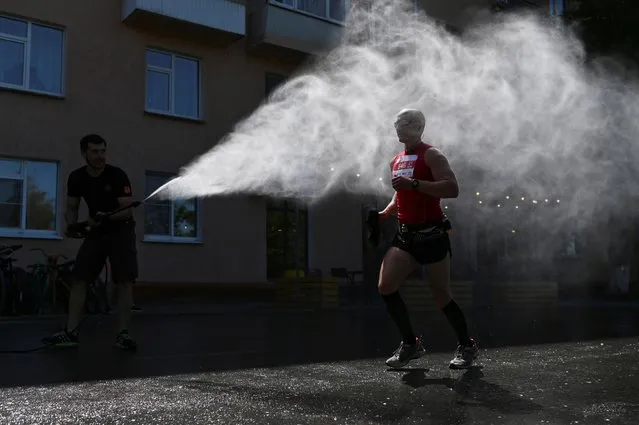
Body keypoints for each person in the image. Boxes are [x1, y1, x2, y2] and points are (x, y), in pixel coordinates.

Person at [377, 108, 478, 369]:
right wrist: (386, 212)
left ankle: (467, 346)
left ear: (419, 127)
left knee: (441, 296)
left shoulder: (432, 154)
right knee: (385, 286)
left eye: (406, 122)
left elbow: (452, 188)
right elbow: (399, 193)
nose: (400, 126)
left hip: (432, 235)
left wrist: (416, 184)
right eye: (397, 122)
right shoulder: (396, 160)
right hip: (405, 236)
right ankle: (411, 344)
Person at [42, 134, 138, 351]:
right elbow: (72, 207)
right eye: (95, 152)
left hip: (121, 232)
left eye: (103, 151)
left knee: (124, 281)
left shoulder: (117, 175)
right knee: (79, 279)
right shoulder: (77, 178)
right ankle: (71, 332)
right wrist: (72, 225)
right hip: (97, 232)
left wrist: (105, 216)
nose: (100, 156)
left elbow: (126, 210)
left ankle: (122, 334)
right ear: (84, 153)